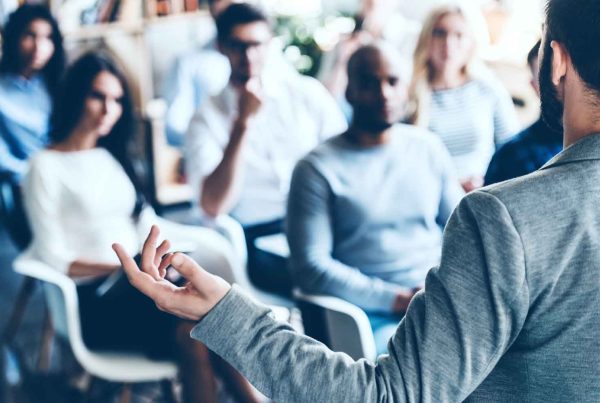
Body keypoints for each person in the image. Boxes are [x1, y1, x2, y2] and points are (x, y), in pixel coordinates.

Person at [115, 0, 600, 400]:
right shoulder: (314, 164)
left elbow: (389, 395)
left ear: (554, 62)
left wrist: (222, 310)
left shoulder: (498, 216)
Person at [22, 52, 261, 403]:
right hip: (93, 302)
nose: (108, 109)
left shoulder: (110, 158)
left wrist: (167, 259)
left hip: (144, 289)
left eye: (117, 100)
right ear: (75, 97)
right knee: (201, 324)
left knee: (200, 324)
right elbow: (54, 258)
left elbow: (147, 223)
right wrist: (129, 270)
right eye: (97, 96)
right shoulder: (44, 167)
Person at [287, 44, 464, 355]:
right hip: (368, 317)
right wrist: (396, 299)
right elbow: (311, 267)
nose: (384, 93)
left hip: (440, 299)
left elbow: (464, 230)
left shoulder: (428, 148)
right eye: (369, 83)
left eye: (392, 82)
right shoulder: (316, 169)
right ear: (349, 91)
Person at [185, 3, 347, 296]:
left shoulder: (305, 94)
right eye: (238, 46)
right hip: (261, 234)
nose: (248, 57)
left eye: (256, 45)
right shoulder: (206, 118)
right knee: (322, 271)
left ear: (270, 44)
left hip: (321, 220)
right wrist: (242, 125)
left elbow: (347, 158)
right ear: (222, 47)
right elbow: (212, 205)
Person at [407, 4, 519, 192]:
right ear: (426, 38)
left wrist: (489, 181)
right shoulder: (408, 94)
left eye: (459, 35)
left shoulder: (488, 89)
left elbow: (513, 149)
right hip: (428, 195)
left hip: (483, 193)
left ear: (471, 42)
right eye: (440, 33)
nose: (448, 43)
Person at [163, 0, 293, 146]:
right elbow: (173, 128)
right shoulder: (188, 63)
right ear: (211, 8)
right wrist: (207, 138)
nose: (248, 56)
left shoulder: (271, 56)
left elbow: (294, 100)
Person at [0, 4, 65, 183]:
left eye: (47, 38)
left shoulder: (57, 84)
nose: (39, 47)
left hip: (62, 171)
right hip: (22, 180)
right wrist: (34, 177)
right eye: (30, 35)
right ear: (14, 37)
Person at [484, 40, 563, 185]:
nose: (557, 83)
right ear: (534, 86)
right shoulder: (511, 156)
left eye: (563, 74)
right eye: (546, 77)